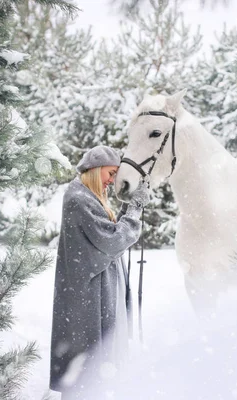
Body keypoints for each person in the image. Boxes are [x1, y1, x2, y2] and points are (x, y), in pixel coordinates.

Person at [49, 145, 151, 399]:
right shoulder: (80, 199)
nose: (112, 180)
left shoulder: (87, 196)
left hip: (92, 291)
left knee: (93, 362)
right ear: (95, 170)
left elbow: (110, 236)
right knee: (90, 363)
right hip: (89, 296)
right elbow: (112, 241)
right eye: (110, 173)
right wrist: (135, 208)